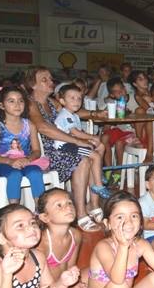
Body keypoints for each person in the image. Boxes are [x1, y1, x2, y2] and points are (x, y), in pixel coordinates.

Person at [26, 66, 105, 231]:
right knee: (83, 159)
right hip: (46, 153)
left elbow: (73, 110)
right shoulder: (30, 103)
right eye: (44, 79)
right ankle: (81, 213)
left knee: (95, 150)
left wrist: (96, 113)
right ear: (33, 85)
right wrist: (76, 140)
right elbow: (43, 128)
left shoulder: (51, 102)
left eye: (50, 78)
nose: (50, 82)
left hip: (63, 147)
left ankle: (93, 204)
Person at [0, 87, 46, 204]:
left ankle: (40, 209)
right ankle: (14, 208)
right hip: (3, 163)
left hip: (25, 161)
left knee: (35, 172)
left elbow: (36, 151)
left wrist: (27, 159)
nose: (17, 104)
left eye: (21, 100)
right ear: (1, 105)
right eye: (11, 101)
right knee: (15, 174)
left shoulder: (29, 125)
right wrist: (10, 161)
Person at [54, 84, 110, 199]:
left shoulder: (74, 116)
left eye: (79, 98)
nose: (76, 101)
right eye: (72, 98)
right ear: (62, 101)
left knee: (101, 146)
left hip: (73, 143)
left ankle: (97, 171)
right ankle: (98, 186)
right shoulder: (66, 115)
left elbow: (78, 133)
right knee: (95, 155)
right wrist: (92, 137)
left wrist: (90, 139)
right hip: (65, 146)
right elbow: (75, 133)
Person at [36, 189, 85, 288]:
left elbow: (71, 266)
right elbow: (41, 284)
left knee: (99, 274)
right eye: (59, 205)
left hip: (66, 282)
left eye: (70, 203)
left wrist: (74, 284)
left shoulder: (75, 235)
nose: (68, 207)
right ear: (45, 217)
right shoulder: (42, 244)